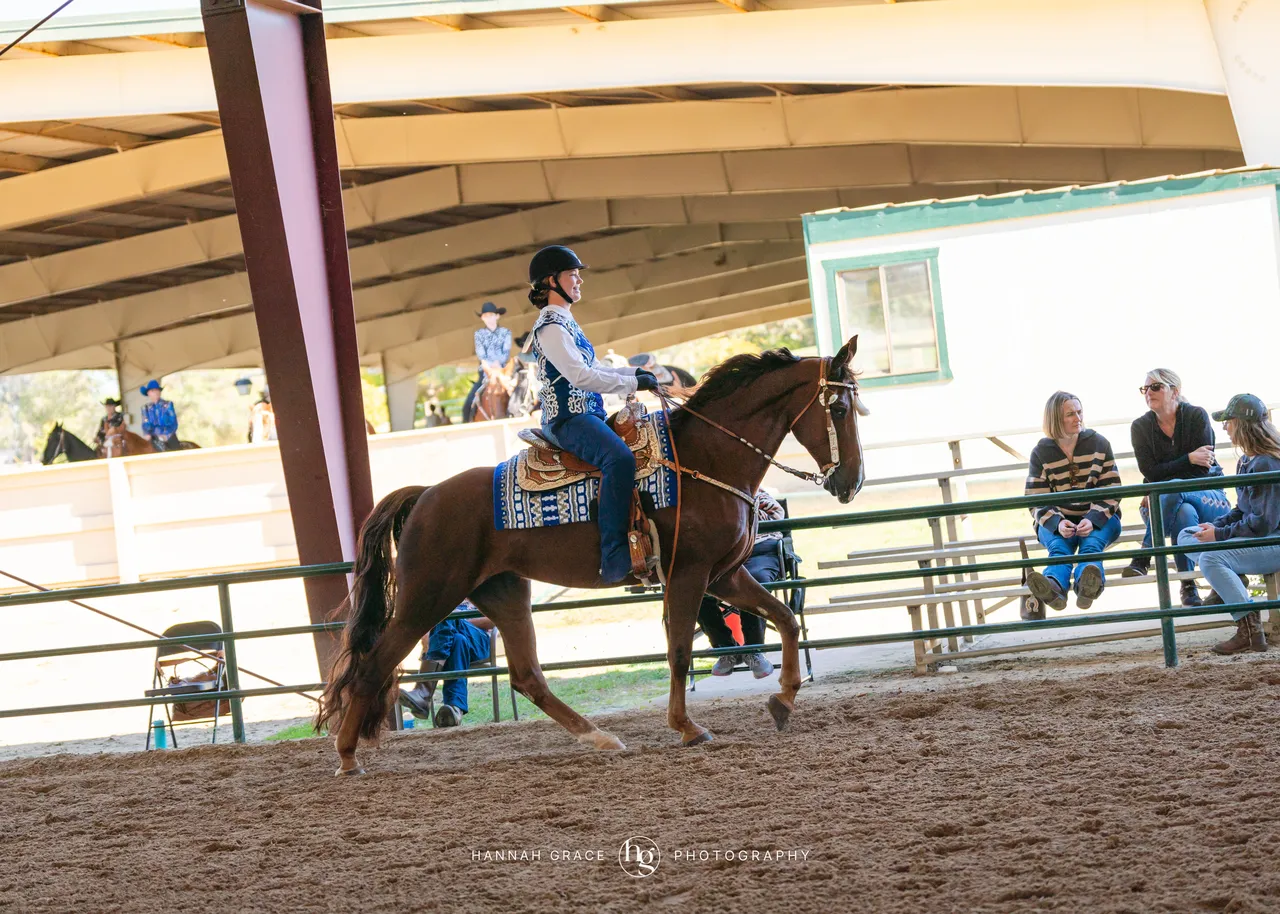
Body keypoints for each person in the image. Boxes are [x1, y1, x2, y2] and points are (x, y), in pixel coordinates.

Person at [526, 244, 660, 583]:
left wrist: (633, 377)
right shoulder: (550, 326)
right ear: (551, 281)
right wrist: (631, 379)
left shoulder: (567, 322)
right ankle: (614, 554)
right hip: (567, 420)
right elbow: (580, 376)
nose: (579, 280)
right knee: (620, 460)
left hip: (588, 414)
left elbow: (594, 367)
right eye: (573, 275)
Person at [1176, 394, 1280, 655]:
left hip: (1272, 542)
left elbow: (1264, 524)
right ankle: (1234, 579)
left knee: (1211, 558)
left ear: (1242, 425)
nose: (1225, 427)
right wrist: (1215, 527)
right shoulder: (1248, 460)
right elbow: (1242, 510)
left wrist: (1219, 534)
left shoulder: (1265, 463)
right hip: (1259, 538)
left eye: (1229, 421)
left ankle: (1249, 627)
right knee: (1187, 535)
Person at [1125, 369, 1232, 606]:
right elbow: (1149, 472)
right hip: (1160, 505)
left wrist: (1162, 481)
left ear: (1175, 391)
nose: (1148, 393)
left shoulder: (1196, 416)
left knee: (1173, 489)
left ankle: (1143, 555)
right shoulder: (1140, 427)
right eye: (1145, 388)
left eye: (1155, 387)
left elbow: (1201, 471)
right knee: (1182, 509)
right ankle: (1188, 586)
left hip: (1210, 498)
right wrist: (1188, 459)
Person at [1024, 391, 1124, 610]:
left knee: (1091, 545)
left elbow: (1112, 489)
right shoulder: (1041, 452)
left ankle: (1086, 587)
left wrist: (1093, 518)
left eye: (1079, 412)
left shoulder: (1099, 443)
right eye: (1070, 414)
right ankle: (1054, 588)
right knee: (1059, 547)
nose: (1078, 418)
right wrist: (1058, 523)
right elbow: (1035, 498)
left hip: (1102, 517)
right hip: (1056, 520)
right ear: (1055, 419)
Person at [700, 489, 790, 679]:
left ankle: (754, 649)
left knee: (755, 583)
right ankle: (725, 648)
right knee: (697, 590)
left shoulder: (755, 491)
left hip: (760, 551)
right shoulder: (714, 496)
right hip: (725, 557)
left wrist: (742, 512)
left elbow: (777, 515)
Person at [399, 602, 496, 727]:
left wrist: (456, 622)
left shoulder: (484, 588)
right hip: (452, 638)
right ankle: (454, 709)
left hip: (480, 640)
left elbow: (493, 619)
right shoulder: (449, 589)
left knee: (446, 616)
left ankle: (423, 691)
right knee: (459, 640)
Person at [463, 302, 513, 422]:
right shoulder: (479, 334)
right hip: (486, 372)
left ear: (497, 316)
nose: (488, 318)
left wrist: (498, 363)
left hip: (503, 371)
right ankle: (468, 421)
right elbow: (481, 354)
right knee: (468, 403)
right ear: (482, 318)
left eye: (491, 315)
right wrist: (490, 366)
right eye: (486, 316)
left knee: (518, 394)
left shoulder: (506, 332)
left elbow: (506, 352)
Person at [139, 380, 182, 451]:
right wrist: (147, 433)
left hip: (168, 436)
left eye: (157, 390)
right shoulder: (145, 408)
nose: (156, 392)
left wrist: (166, 434)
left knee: (175, 451)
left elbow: (173, 422)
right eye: (153, 390)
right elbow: (145, 423)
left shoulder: (168, 405)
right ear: (148, 393)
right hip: (153, 437)